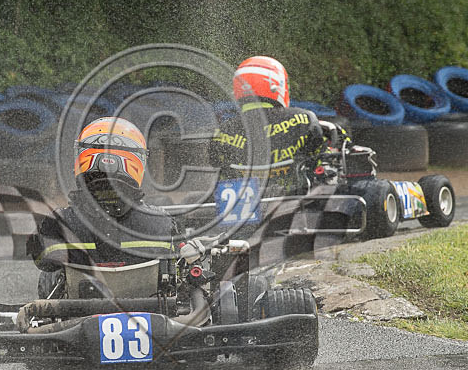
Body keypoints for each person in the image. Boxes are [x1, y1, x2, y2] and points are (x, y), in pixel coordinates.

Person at [28, 117, 178, 296]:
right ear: (136, 161)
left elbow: (43, 262)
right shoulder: (160, 222)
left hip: (77, 314)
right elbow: (176, 264)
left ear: (83, 158)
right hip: (150, 315)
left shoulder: (60, 222)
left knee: (52, 274)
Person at [208, 55, 329, 195]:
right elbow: (320, 154)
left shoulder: (223, 130)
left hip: (238, 209)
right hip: (291, 208)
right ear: (276, 87)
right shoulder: (303, 119)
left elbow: (216, 163)